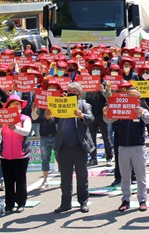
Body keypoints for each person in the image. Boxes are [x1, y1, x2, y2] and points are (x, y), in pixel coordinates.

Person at [49, 82, 95, 213]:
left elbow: (90, 118)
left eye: (74, 91)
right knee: (65, 178)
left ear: (79, 94)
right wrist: (48, 116)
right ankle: (65, 203)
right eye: (69, 91)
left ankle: (83, 202)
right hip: (64, 146)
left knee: (82, 177)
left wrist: (81, 115)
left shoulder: (84, 105)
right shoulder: (61, 103)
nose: (71, 93)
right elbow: (53, 120)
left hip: (79, 146)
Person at [103, 86, 149, 212]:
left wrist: (142, 114)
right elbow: (108, 120)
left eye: (134, 96)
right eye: (129, 95)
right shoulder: (120, 108)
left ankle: (142, 199)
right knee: (125, 176)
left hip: (138, 146)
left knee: (141, 176)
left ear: (139, 98)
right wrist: (106, 113)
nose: (131, 97)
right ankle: (125, 200)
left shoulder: (142, 109)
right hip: (123, 146)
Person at [0, 94, 32, 213]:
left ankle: (21, 203)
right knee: (8, 181)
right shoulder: (3, 119)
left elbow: (26, 132)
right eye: (14, 104)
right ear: (8, 106)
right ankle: (9, 204)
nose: (17, 106)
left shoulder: (25, 118)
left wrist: (14, 128)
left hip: (21, 155)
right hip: (5, 155)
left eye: (18, 104)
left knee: (20, 180)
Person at [31, 78, 62, 189]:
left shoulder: (61, 101)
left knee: (61, 157)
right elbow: (34, 117)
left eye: (54, 88)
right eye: (50, 88)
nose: (52, 90)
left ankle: (63, 178)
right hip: (44, 134)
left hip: (57, 134)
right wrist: (34, 109)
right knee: (45, 158)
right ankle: (45, 180)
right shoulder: (41, 103)